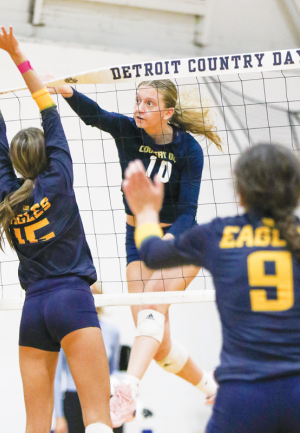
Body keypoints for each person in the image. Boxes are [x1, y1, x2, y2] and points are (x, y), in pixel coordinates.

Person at [0, 26, 113, 433]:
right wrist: (14, 54)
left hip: (34, 311)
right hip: (72, 300)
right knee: (97, 420)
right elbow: (48, 107)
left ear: (17, 162)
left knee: (36, 426)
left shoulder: (8, 195)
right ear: (47, 153)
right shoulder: (58, 176)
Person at [50, 80, 221, 425]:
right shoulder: (128, 131)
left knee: (154, 302)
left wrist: (168, 243)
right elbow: (95, 116)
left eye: (148, 103)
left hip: (181, 240)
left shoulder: (189, 150)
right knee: (159, 345)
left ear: (168, 112)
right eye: (137, 101)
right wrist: (67, 93)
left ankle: (128, 389)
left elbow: (188, 210)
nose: (139, 109)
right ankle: (212, 387)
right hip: (138, 238)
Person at [123, 143, 300, 433]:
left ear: (241, 192)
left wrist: (145, 212)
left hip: (241, 396)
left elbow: (152, 254)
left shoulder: (219, 234)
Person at [54, 284, 121, 433]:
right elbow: (56, 377)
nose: (90, 298)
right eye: (86, 293)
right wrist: (58, 416)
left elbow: (114, 369)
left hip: (105, 398)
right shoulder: (65, 330)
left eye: (94, 294)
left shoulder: (112, 332)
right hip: (74, 399)